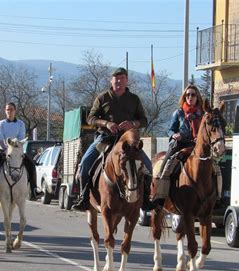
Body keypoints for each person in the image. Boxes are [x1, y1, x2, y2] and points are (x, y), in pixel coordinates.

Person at [71, 67, 154, 211]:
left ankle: (145, 199)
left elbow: (144, 120)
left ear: (126, 81)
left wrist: (132, 124)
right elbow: (90, 118)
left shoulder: (134, 99)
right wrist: (106, 123)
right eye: (116, 78)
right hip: (105, 139)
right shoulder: (102, 98)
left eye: (122, 78)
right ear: (111, 80)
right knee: (85, 163)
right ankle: (84, 198)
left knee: (147, 166)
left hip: (128, 142)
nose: (119, 81)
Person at [153, 84, 204, 202]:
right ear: (184, 97)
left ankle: (216, 196)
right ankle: (160, 194)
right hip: (180, 143)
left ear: (197, 97)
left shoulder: (202, 114)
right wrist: (174, 135)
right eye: (188, 95)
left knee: (215, 168)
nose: (190, 97)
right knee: (167, 164)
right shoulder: (178, 113)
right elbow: (170, 129)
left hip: (196, 145)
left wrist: (200, 138)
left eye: (193, 95)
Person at [0, 102, 41, 200]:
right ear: (5, 111)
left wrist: (14, 148)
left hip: (17, 149)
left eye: (11, 109)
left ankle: (34, 189)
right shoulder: (1, 123)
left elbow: (21, 137)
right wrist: (6, 148)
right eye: (7, 110)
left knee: (31, 165)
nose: (9, 111)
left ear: (15, 111)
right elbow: (0, 136)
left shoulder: (20, 123)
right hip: (3, 148)